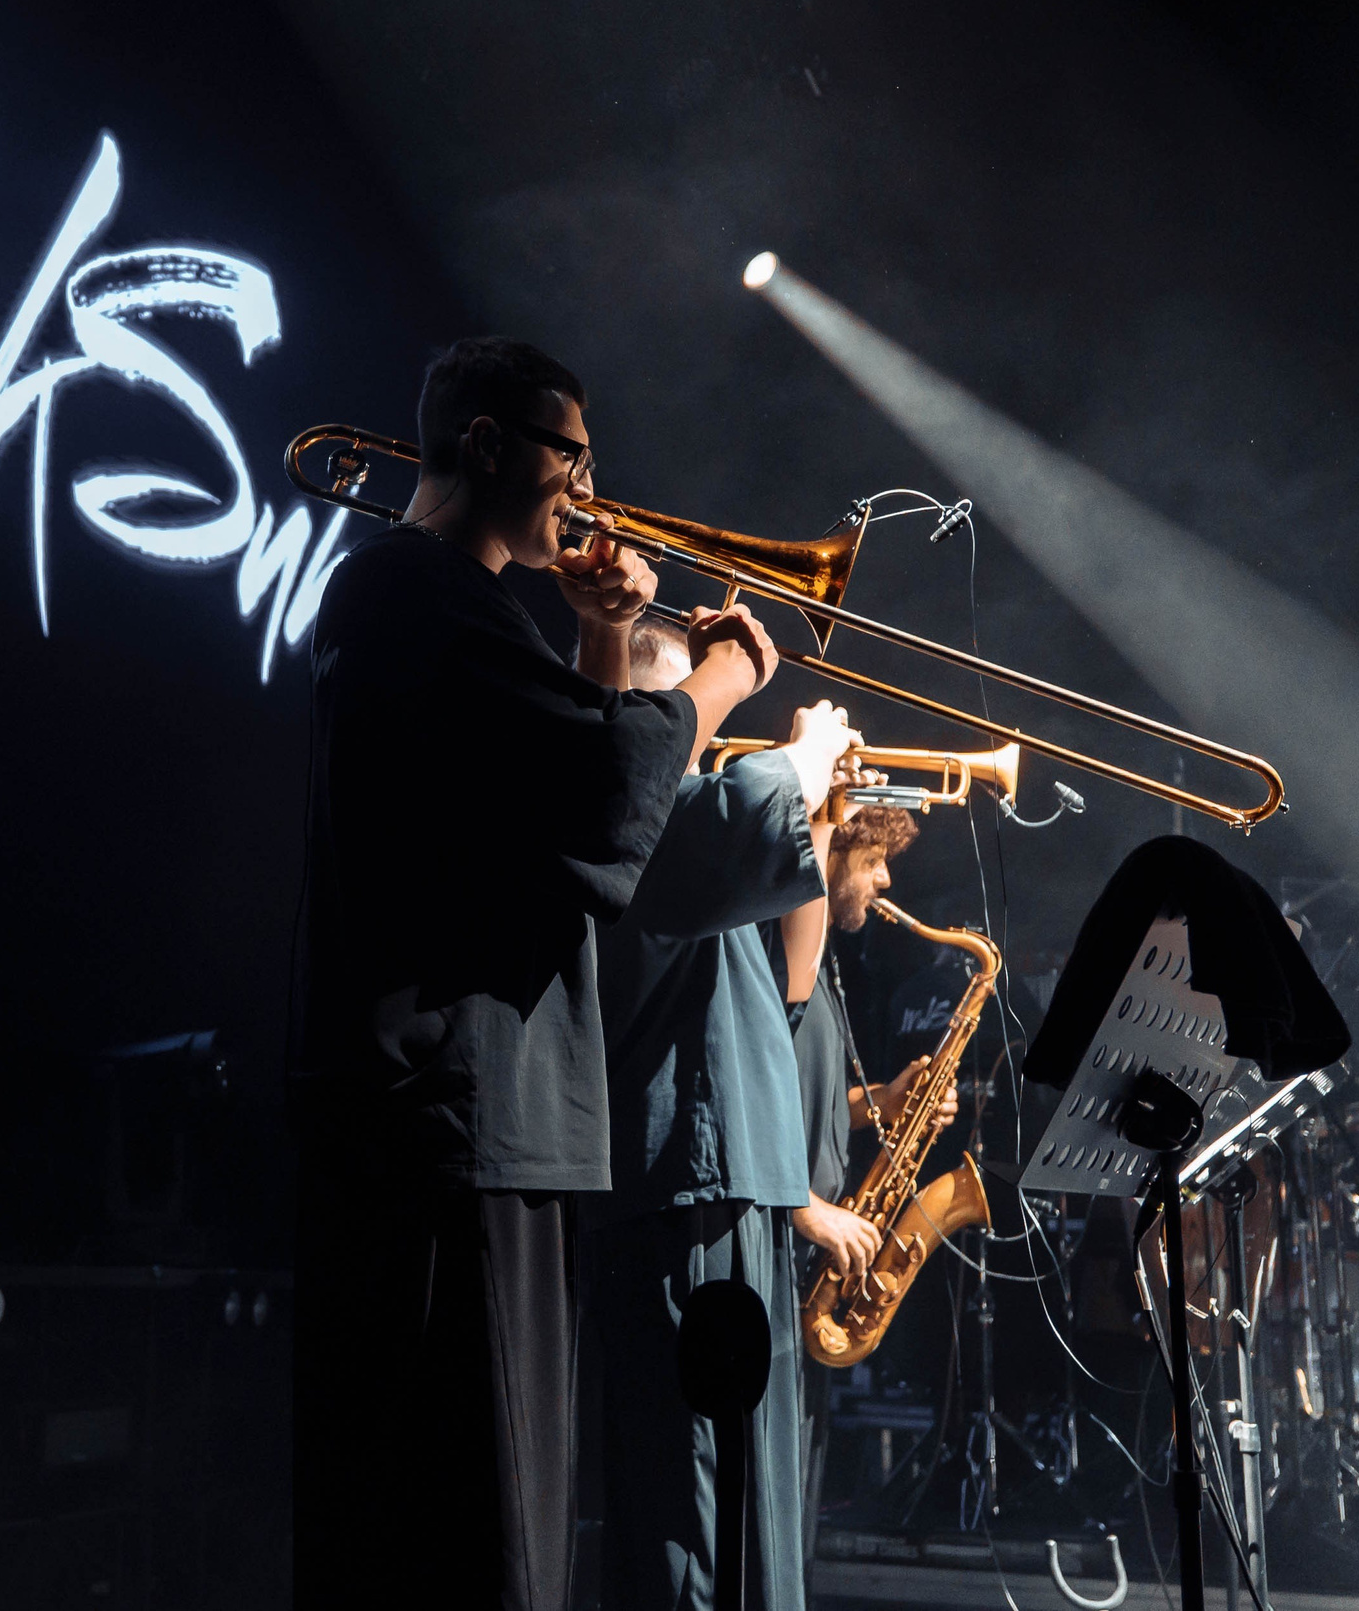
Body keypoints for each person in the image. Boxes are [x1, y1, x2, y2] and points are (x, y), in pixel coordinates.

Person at [290, 339, 783, 1611]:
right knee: (479, 1530)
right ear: (491, 445)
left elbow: (550, 840)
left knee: (491, 1522)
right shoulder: (422, 592)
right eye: (570, 455)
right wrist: (720, 679)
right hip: (459, 1120)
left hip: (473, 1118)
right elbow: (601, 790)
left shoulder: (432, 603)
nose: (587, 488)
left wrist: (602, 637)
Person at [589, 613, 861, 1611]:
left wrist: (819, 805)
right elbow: (723, 823)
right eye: (671, 712)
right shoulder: (634, 823)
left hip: (732, 1188)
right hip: (681, 1191)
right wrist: (798, 757)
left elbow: (794, 982)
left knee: (749, 1504)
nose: (686, 732)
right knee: (690, 1505)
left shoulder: (696, 833)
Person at [769, 795, 950, 1573]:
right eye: (873, 861)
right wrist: (805, 1206)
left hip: (810, 1262)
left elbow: (803, 1107)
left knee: (795, 1506)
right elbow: (734, 1094)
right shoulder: (778, 955)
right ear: (831, 851)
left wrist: (886, 1102)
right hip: (779, 1248)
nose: (882, 882)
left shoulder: (826, 968)